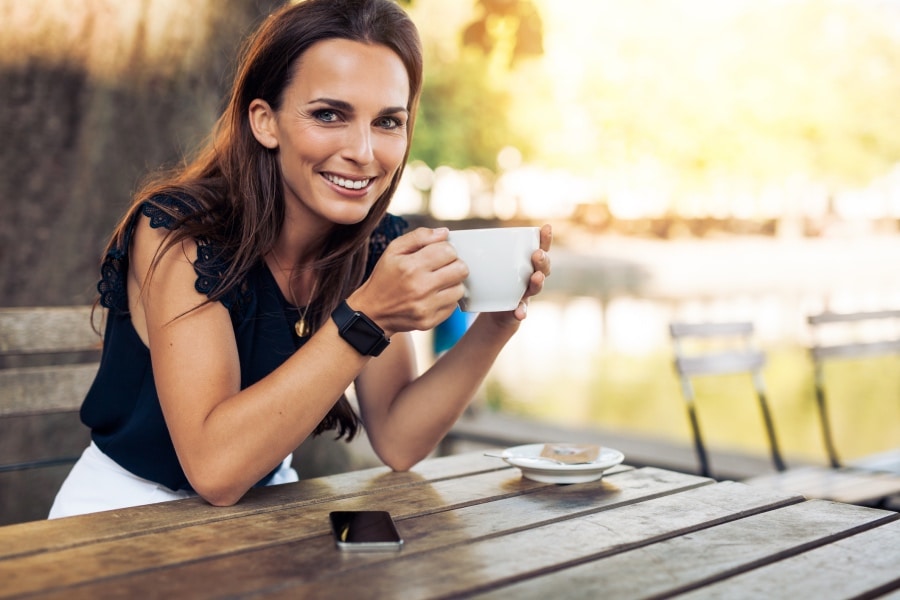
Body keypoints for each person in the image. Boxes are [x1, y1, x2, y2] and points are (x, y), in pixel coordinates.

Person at [49, 0, 552, 518]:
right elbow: (215, 470)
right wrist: (367, 317)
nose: (363, 151)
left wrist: (495, 323)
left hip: (266, 510)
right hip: (124, 513)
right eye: (328, 115)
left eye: (387, 121)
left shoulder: (373, 243)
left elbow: (399, 440)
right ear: (265, 122)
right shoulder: (180, 234)